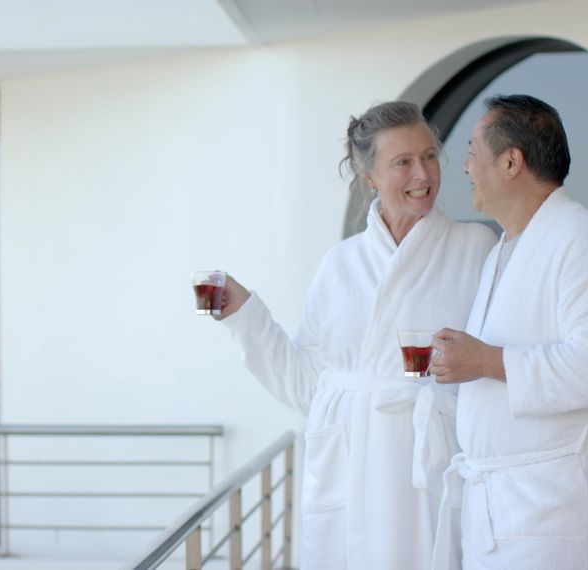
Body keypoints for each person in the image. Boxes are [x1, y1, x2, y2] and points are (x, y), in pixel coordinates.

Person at [211, 101, 496, 569]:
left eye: (428, 156)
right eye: (402, 162)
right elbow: (307, 387)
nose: (423, 173)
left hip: (427, 470)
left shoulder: (476, 249)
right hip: (351, 469)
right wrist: (245, 315)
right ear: (370, 177)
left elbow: (494, 370)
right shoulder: (340, 264)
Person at [428, 94, 588, 570]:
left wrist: (487, 360)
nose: (464, 167)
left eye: (471, 152)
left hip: (554, 508)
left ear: (511, 161)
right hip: (504, 507)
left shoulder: (587, 240)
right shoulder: (507, 248)